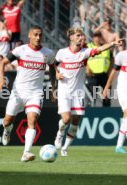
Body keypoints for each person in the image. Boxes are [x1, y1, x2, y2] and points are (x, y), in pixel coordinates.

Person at [53, 27, 123, 157]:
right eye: (78, 35)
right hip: (64, 91)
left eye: (82, 35)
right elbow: (53, 65)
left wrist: (112, 44)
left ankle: (65, 147)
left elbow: (100, 49)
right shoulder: (62, 53)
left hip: (78, 92)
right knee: (66, 119)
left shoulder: (85, 52)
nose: (81, 38)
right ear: (71, 37)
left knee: (76, 121)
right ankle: (60, 134)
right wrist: (56, 74)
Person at [0, 25, 56, 162]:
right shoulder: (20, 50)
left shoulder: (48, 53)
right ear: (29, 35)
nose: (38, 37)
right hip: (17, 93)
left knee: (32, 120)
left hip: (35, 93)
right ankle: (7, 130)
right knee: (7, 121)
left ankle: (26, 152)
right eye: (35, 34)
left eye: (40, 35)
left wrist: (54, 88)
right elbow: (2, 63)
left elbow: (53, 69)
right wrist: (1, 79)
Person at [86, 31, 113, 107]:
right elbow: (83, 58)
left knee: (107, 95)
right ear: (93, 38)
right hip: (93, 75)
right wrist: (87, 68)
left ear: (101, 38)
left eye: (99, 36)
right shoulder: (89, 46)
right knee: (92, 96)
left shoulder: (106, 47)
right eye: (95, 36)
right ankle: (90, 112)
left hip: (104, 75)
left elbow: (112, 59)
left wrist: (110, 70)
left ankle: (106, 113)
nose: (97, 38)